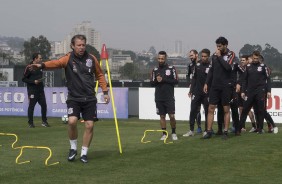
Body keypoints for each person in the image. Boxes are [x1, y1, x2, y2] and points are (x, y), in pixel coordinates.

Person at [29, 34, 110, 163]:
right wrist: (42, 65)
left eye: (83, 45)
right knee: (72, 121)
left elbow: (100, 74)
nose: (81, 47)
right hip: (74, 98)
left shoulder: (92, 58)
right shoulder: (68, 58)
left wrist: (105, 91)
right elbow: (56, 63)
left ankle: (84, 153)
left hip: (89, 98)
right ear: (72, 46)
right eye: (79, 45)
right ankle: (73, 148)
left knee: (89, 125)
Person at [203, 36, 235, 139]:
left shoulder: (231, 54)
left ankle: (225, 132)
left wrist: (220, 56)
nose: (218, 48)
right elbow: (211, 70)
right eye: (217, 46)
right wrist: (207, 83)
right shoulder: (214, 56)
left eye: (220, 46)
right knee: (210, 108)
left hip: (226, 86)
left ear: (225, 45)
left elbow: (228, 67)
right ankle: (208, 131)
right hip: (215, 86)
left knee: (226, 109)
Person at [239, 51, 270, 134]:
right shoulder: (248, 66)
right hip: (250, 92)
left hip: (260, 91)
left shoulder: (263, 66)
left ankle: (260, 128)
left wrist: (268, 91)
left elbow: (268, 79)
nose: (255, 60)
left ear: (259, 58)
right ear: (252, 58)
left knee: (260, 110)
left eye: (257, 58)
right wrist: (242, 91)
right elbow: (244, 80)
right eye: (254, 58)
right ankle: (239, 128)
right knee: (245, 109)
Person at [150, 51, 179, 141]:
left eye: (162, 58)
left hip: (169, 97)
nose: (160, 60)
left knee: (172, 116)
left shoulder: (171, 69)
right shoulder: (154, 70)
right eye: (159, 58)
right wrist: (156, 80)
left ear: (165, 58)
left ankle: (173, 132)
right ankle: (164, 134)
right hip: (159, 97)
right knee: (162, 116)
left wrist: (163, 79)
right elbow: (151, 83)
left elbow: (176, 81)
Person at [183, 49, 210, 137]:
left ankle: (207, 130)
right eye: (202, 56)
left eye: (205, 56)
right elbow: (194, 78)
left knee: (207, 111)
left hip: (206, 93)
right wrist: (191, 91)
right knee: (193, 110)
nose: (203, 58)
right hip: (196, 92)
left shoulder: (211, 66)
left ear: (208, 57)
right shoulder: (197, 65)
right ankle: (191, 130)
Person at [22, 53, 49, 128]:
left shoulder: (40, 67)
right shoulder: (29, 67)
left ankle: (44, 122)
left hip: (40, 90)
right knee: (31, 106)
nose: (41, 59)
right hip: (32, 91)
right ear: (35, 59)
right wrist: (33, 82)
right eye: (40, 58)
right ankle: (30, 123)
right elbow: (23, 79)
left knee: (44, 105)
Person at [187, 50, 202, 133]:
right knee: (195, 109)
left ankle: (209, 128)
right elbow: (188, 76)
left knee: (208, 109)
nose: (191, 57)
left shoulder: (201, 63)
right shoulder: (190, 65)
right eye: (190, 56)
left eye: (192, 55)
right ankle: (198, 127)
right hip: (195, 90)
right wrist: (189, 84)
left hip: (204, 90)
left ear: (196, 55)